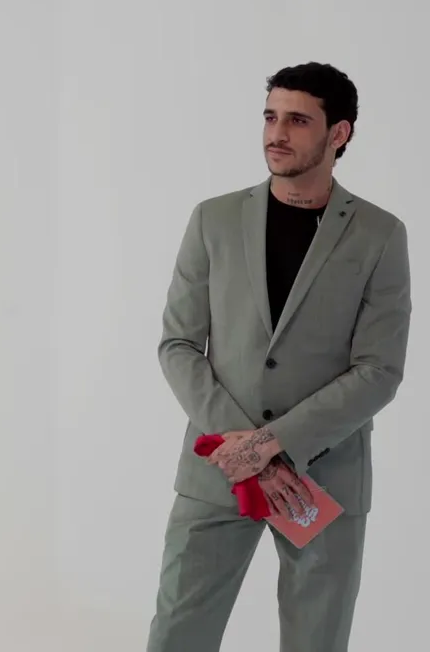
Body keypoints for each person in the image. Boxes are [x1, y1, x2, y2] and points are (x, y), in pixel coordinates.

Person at [146, 62, 411, 652]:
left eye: (297, 120)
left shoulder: (380, 235)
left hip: (324, 477)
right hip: (218, 471)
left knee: (317, 641)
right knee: (178, 635)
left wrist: (272, 445)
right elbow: (179, 345)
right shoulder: (213, 219)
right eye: (270, 117)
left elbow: (379, 370)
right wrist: (244, 450)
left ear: (338, 133)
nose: (276, 133)